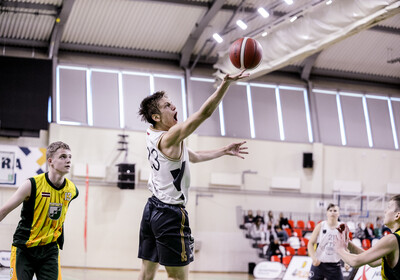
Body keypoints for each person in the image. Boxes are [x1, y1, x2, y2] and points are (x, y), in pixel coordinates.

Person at [137, 70, 249, 280]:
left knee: (146, 273)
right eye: (167, 106)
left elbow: (194, 156)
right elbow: (204, 114)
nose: (173, 107)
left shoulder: (152, 134)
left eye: (171, 103)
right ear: (156, 117)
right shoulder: (170, 137)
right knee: (178, 277)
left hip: (151, 208)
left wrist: (223, 150)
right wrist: (225, 84)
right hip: (169, 214)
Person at [0, 141, 79, 280]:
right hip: (24, 248)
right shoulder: (32, 185)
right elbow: (4, 210)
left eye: (70, 157)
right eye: (63, 157)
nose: (68, 160)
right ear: (50, 161)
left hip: (50, 250)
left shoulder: (72, 190)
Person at [337, 195, 400, 280]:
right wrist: (348, 243)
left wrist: (338, 248)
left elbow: (355, 261)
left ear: (397, 215)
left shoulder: (392, 240)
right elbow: (373, 262)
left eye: (389, 207)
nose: (385, 211)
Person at [307, 203, 344, 280]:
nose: (332, 212)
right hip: (319, 264)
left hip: (334, 265)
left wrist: (347, 262)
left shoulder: (342, 228)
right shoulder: (320, 225)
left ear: (338, 213)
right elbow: (310, 243)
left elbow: (345, 246)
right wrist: (314, 258)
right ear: (327, 213)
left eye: (335, 210)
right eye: (330, 210)